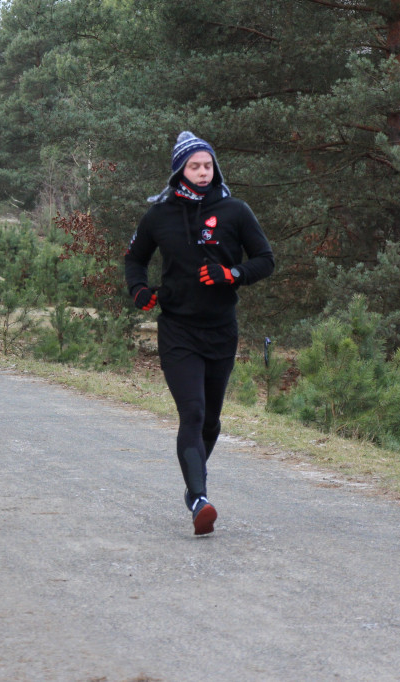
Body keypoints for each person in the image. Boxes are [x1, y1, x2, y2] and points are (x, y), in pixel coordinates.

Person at [124, 131, 275, 536]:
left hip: (222, 332)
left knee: (211, 421)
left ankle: (195, 488)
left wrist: (233, 274)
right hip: (178, 330)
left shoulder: (235, 210)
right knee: (191, 412)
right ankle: (198, 499)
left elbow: (265, 259)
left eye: (208, 165)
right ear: (180, 170)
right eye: (195, 166)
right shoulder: (159, 214)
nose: (203, 172)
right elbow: (134, 259)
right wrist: (139, 290)